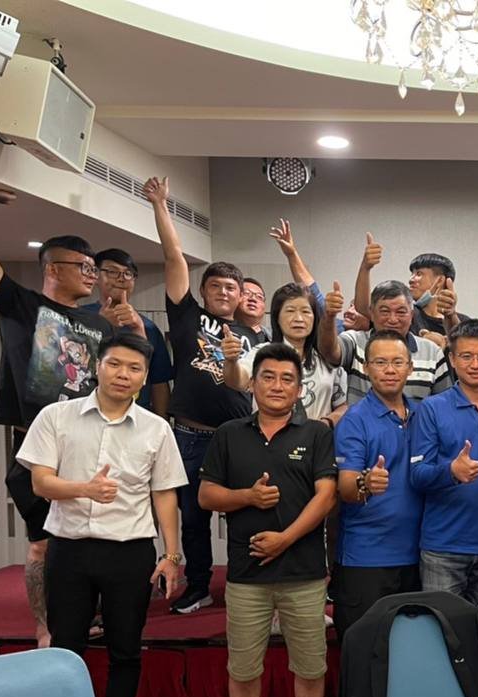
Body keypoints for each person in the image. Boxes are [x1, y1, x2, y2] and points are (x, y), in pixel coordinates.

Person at [15, 333, 186, 697]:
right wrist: (85, 489)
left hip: (130, 553)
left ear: (144, 377)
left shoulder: (156, 429)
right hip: (70, 550)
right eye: (115, 364)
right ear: (97, 365)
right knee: (65, 649)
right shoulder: (57, 416)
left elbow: (165, 495)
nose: (123, 375)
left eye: (134, 368)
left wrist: (171, 555)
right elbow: (40, 483)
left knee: (125, 650)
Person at [0, 187, 113, 648]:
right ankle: (46, 626)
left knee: (92, 539)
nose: (90, 274)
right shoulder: (22, 305)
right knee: (43, 543)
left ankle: (89, 616)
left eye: (93, 267)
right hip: (38, 445)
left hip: (90, 441)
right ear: (52, 269)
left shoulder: (100, 325)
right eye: (81, 266)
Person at [198, 343, 338, 697]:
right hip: (246, 573)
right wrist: (247, 497)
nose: (278, 386)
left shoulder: (315, 433)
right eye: (269, 377)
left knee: (310, 665)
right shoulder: (229, 434)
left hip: (304, 571)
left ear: (299, 389)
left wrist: (285, 540)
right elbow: (206, 496)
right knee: (243, 666)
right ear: (253, 384)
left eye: (287, 379)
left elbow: (326, 496)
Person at [144, 175, 262, 615]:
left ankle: (245, 586)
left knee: (246, 514)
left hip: (238, 435)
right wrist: (161, 205)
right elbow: (174, 256)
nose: (224, 293)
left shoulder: (256, 336)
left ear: (241, 295)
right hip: (190, 436)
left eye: (232, 288)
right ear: (204, 291)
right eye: (216, 286)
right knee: (192, 517)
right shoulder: (187, 316)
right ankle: (197, 586)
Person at [410, 320, 478, 688]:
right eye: (466, 356)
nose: (475, 364)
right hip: (443, 548)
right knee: (440, 644)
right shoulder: (431, 409)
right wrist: (451, 472)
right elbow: (417, 475)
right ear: (452, 360)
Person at [333, 330, 424, 642]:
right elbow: (346, 488)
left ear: (410, 367)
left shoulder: (424, 414)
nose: (389, 370)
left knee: (408, 655)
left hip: (419, 557)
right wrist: (366, 483)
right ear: (366, 367)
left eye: (397, 362)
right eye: (380, 362)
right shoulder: (355, 419)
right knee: (364, 654)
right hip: (367, 559)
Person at [222, 282, 348, 425]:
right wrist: (231, 361)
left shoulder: (327, 358)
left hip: (317, 437)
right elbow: (238, 381)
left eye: (306, 311)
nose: (299, 318)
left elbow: (342, 406)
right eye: (290, 311)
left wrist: (327, 422)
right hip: (267, 436)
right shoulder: (262, 353)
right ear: (277, 317)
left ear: (315, 317)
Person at [316, 277, 452, 406]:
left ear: (411, 315)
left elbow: (444, 404)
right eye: (385, 311)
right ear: (372, 313)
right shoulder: (355, 341)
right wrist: (329, 317)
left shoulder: (432, 352)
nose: (393, 319)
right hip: (362, 422)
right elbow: (329, 351)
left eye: (401, 312)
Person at [82, 249, 171, 417]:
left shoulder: (149, 327)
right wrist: (99, 325)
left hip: (137, 416)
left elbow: (159, 382)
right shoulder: (80, 317)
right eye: (112, 271)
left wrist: (163, 421)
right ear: (96, 276)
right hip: (87, 413)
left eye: (128, 273)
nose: (121, 278)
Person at [352, 236, 466, 340]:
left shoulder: (463, 321)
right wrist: (365, 268)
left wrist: (451, 315)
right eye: (412, 274)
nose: (411, 279)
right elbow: (364, 307)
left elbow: (463, 343)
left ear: (440, 280)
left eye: (419, 274)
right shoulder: (406, 312)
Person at [234, 278, 272, 342]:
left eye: (259, 297)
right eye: (246, 293)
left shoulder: (278, 338)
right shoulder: (220, 334)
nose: (253, 299)